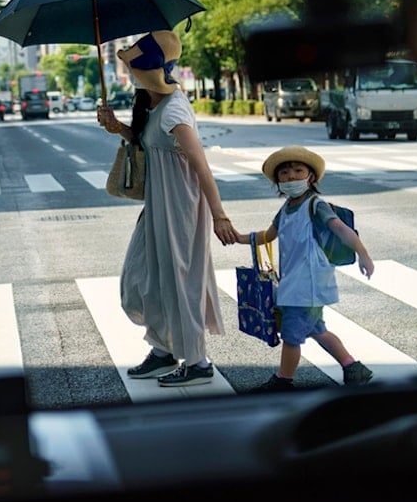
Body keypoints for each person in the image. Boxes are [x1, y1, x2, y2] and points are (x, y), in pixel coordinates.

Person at [96, 30, 240, 388]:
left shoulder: (174, 108)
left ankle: (197, 362)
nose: (130, 74)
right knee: (142, 276)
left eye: (134, 68)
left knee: (181, 282)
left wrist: (219, 214)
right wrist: (119, 129)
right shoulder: (151, 104)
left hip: (181, 206)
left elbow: (200, 165)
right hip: (158, 204)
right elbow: (149, 144)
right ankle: (162, 350)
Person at [234, 146, 376, 392]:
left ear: (311, 177)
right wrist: (239, 238)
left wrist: (363, 253)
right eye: (285, 173)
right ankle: (353, 368)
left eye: (298, 171)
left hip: (308, 282)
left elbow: (340, 228)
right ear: (278, 181)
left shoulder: (315, 205)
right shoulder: (286, 208)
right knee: (317, 329)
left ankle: (283, 381)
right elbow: (269, 234)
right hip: (295, 281)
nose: (291, 177)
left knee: (291, 336)